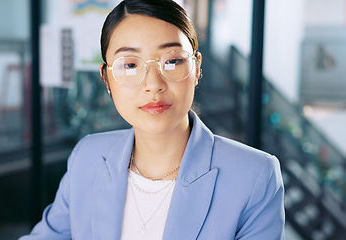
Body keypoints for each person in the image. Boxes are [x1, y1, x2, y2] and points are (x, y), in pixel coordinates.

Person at [20, 0, 285, 239]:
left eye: (172, 61)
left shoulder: (254, 176)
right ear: (106, 79)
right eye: (130, 65)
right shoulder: (87, 157)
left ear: (196, 69)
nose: (153, 85)